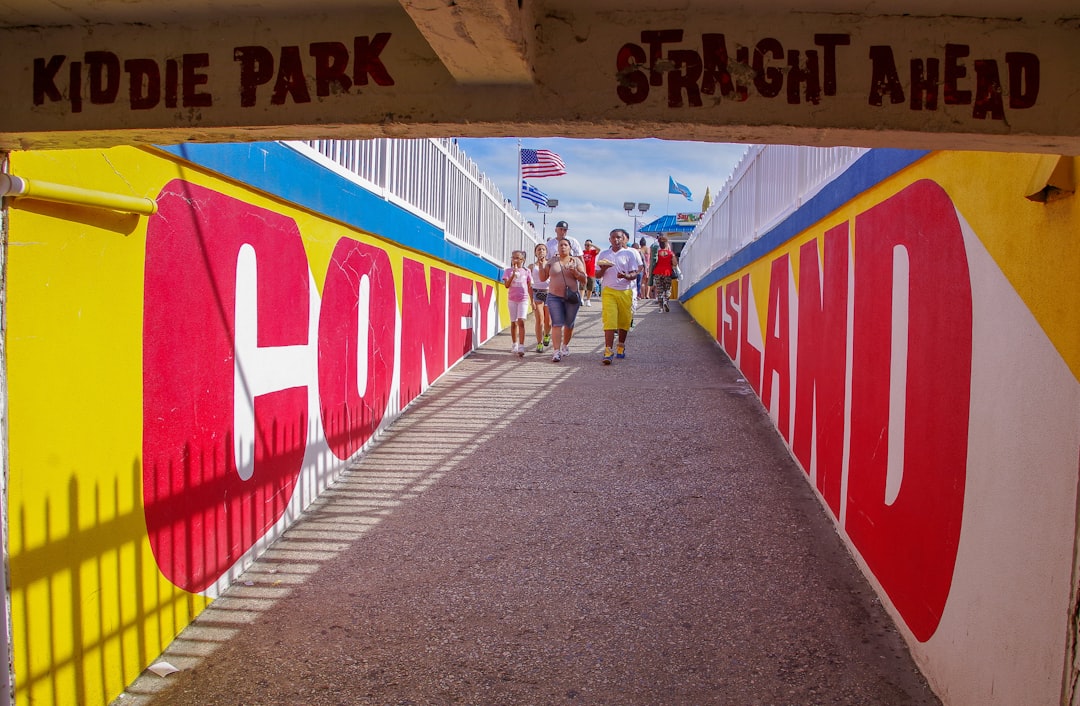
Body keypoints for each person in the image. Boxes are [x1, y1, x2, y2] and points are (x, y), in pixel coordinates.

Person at [594, 228, 641, 365]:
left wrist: (626, 276)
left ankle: (620, 345)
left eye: (619, 237)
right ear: (609, 240)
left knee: (624, 321)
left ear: (623, 239)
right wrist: (604, 268)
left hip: (625, 291)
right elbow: (596, 275)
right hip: (609, 291)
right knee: (610, 320)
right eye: (613, 237)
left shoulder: (629, 254)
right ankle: (608, 350)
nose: (616, 240)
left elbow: (634, 273)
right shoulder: (604, 254)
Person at [538, 238, 586, 362]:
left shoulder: (576, 261)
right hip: (554, 296)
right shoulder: (552, 261)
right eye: (560, 245)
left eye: (565, 245)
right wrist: (541, 264)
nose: (563, 247)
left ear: (570, 248)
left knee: (569, 324)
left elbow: (584, 279)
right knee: (557, 323)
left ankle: (565, 345)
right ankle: (556, 351)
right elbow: (543, 278)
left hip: (571, 297)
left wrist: (574, 272)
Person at [502, 250, 531, 356]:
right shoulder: (508, 271)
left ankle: (521, 346)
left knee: (521, 321)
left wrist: (532, 300)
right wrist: (513, 274)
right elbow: (506, 285)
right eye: (513, 257)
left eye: (517, 258)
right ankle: (514, 344)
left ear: (522, 260)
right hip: (512, 299)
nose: (515, 259)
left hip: (523, 299)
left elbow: (529, 286)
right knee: (513, 322)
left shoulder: (527, 271)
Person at [529, 243, 552, 352]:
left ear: (546, 252)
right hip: (536, 293)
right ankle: (539, 343)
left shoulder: (550, 264)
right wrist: (531, 300)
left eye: (543, 249)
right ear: (535, 252)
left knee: (548, 322)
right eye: (539, 249)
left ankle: (547, 334)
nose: (541, 251)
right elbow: (528, 284)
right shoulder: (531, 266)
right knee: (540, 320)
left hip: (548, 293)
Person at [652, 235, 679, 313]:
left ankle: (660, 308)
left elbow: (653, 263)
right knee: (667, 289)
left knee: (659, 290)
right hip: (667, 272)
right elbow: (675, 263)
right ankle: (666, 302)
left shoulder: (657, 253)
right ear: (666, 244)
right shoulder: (670, 253)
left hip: (657, 272)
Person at [581, 239, 600, 307]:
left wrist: (592, 245)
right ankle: (581, 299)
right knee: (582, 287)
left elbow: (599, 249)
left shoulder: (593, 252)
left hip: (591, 273)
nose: (587, 246)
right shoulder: (582, 252)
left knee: (590, 288)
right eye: (586, 245)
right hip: (583, 272)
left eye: (588, 245)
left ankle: (588, 300)